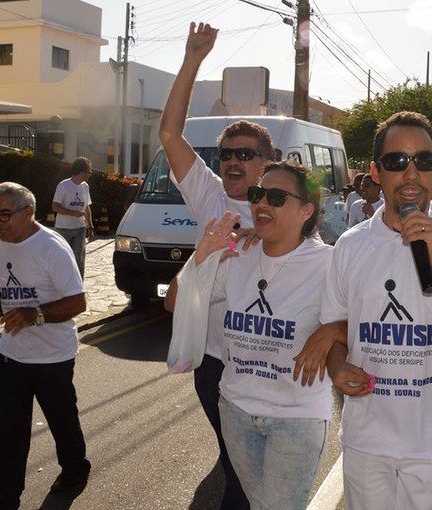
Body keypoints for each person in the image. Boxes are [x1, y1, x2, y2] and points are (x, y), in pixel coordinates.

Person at [320, 111, 432, 510]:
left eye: (424, 161)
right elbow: (334, 327)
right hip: (367, 440)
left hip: (431, 442)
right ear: (376, 172)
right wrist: (336, 365)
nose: (412, 173)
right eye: (397, 162)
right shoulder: (349, 246)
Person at [158, 21, 276, 510]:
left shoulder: (287, 204)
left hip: (268, 359)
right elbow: (169, 132)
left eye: (246, 155)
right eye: (227, 154)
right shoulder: (207, 193)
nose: (234, 161)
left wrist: (265, 234)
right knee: (234, 465)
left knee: (259, 471)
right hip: (213, 361)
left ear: (269, 162)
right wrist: (193, 60)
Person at [173, 160, 335, 509]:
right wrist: (201, 257)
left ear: (306, 210)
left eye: (276, 197)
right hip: (236, 410)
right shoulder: (238, 254)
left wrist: (332, 330)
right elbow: (176, 302)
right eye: (257, 194)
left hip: (296, 416)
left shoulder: (330, 263)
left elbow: (365, 316)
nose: (261, 203)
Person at [0, 183, 90, 510]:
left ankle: (75, 470)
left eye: (5, 215)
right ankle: (3, 492)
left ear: (29, 212)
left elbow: (78, 302)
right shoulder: (1, 243)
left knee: (62, 420)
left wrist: (34, 314)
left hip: (53, 357)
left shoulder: (52, 247)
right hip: (11, 354)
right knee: (7, 427)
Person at [52, 157, 94, 279]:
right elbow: (55, 207)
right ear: (82, 172)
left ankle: (78, 288)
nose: (90, 175)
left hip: (80, 229)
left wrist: (90, 227)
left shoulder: (85, 186)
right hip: (63, 229)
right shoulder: (63, 186)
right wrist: (72, 213)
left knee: (79, 260)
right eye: (89, 172)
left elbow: (87, 208)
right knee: (64, 260)